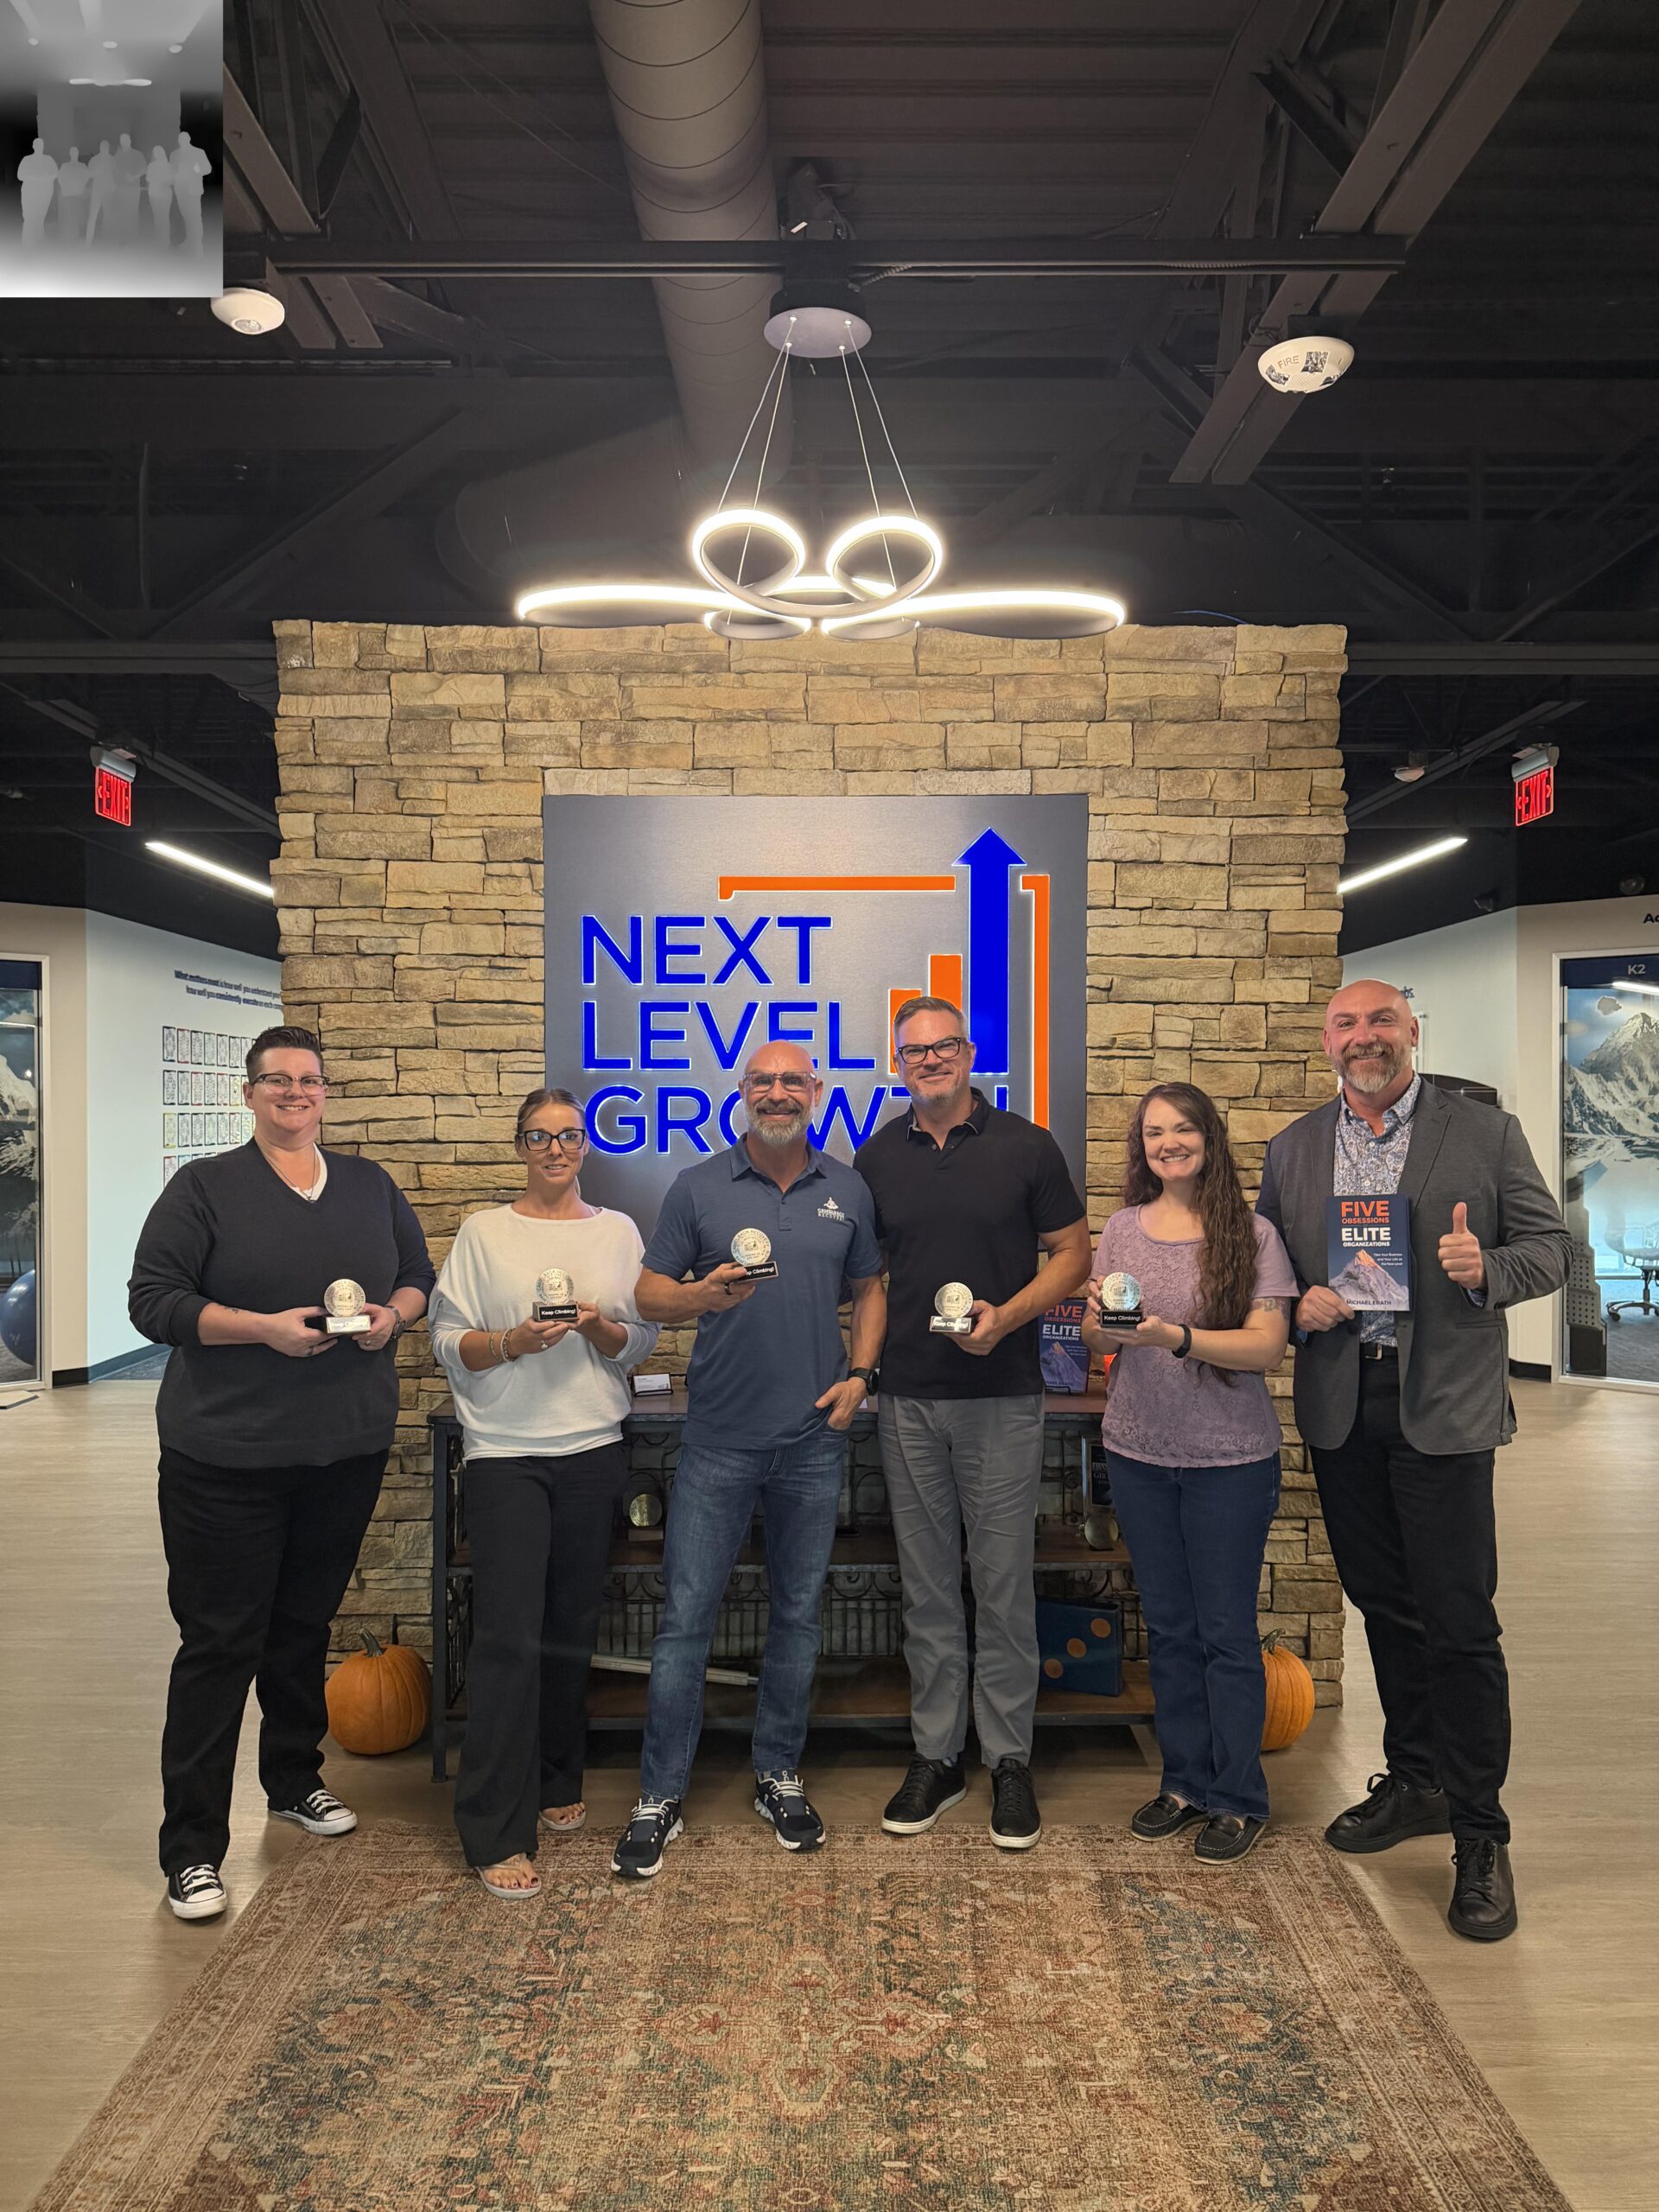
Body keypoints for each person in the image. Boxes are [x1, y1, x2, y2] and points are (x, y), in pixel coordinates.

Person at [1257, 978, 1572, 1942]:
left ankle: (1482, 1832)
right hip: (1346, 1406)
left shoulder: (1481, 1131)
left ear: (1410, 1032)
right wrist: (1301, 1301)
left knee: (1459, 1620)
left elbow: (1553, 1246)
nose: (1366, 1039)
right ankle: (1418, 1779)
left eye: (1381, 1022)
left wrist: (1491, 1273)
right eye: (1348, 1025)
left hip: (1443, 1405)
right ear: (1328, 1041)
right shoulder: (1296, 1147)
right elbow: (1278, 1267)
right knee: (1385, 1607)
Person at [128, 1025, 435, 1922]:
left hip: (343, 1448)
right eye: (277, 1080)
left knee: (304, 1624)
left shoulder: (370, 1186)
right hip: (224, 1457)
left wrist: (392, 1317)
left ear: (325, 1092)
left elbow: (417, 1273)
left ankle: (294, 1778)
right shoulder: (204, 1190)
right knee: (220, 1643)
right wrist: (259, 1326)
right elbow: (153, 1303)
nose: (295, 1093)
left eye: (308, 1080)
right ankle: (190, 1848)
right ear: (251, 1093)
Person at [611, 1040, 885, 1879]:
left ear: (817, 1091)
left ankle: (777, 1773)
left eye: (791, 1080)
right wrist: (703, 1293)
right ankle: (659, 1792)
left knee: (798, 1616)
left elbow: (872, 1285)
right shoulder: (698, 1185)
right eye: (762, 1081)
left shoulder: (847, 1187)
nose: (777, 1093)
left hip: (811, 1438)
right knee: (685, 1622)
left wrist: (861, 1376)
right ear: (743, 1092)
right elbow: (649, 1292)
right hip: (719, 1440)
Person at [855, 996, 1090, 1851]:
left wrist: (1011, 1317)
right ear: (897, 1062)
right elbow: (869, 1277)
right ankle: (938, 1756)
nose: (929, 1060)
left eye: (943, 1045)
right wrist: (862, 1370)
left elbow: (1074, 1252)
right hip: (908, 1398)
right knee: (925, 1588)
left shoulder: (1027, 1146)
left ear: (969, 1051)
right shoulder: (877, 1155)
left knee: (1000, 1582)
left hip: (1002, 1395)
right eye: (913, 1050)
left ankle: (1011, 1759)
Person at [429, 1088, 658, 1899]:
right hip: (506, 1456)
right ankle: (495, 1828)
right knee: (506, 1639)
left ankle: (560, 1780)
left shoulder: (618, 1232)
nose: (555, 1148)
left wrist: (600, 1330)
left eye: (568, 1135)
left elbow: (642, 1342)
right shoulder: (485, 1234)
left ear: (585, 1145)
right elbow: (447, 1343)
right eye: (539, 1136)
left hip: (593, 1448)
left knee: (568, 1629)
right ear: (520, 1145)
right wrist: (513, 1342)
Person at [1080, 1084, 1295, 1864]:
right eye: (1153, 1133)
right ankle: (1184, 1783)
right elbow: (1098, 1331)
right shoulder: (1122, 1229)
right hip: (1137, 1451)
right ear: (1141, 1148)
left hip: (1230, 1460)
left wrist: (1176, 1337)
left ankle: (1239, 1798)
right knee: (1168, 1628)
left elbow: (1265, 1348)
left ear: (1211, 1135)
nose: (1167, 1143)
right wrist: (1101, 1324)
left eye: (1182, 1129)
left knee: (1225, 1634)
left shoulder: (1254, 1233)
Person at [170, 130, 211, 252]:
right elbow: (171, 170)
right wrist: (175, 176)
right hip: (180, 189)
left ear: (189, 140)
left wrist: (198, 170)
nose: (182, 142)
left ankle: (197, 243)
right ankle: (189, 240)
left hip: (193, 189)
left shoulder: (198, 152)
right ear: (178, 141)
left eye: (184, 139)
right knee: (186, 216)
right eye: (180, 140)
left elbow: (207, 168)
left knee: (195, 217)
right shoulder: (174, 154)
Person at [17, 138, 56, 249]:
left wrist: (47, 177)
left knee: (40, 218)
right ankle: (27, 245)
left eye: (42, 145)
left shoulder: (48, 160)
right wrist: (34, 177)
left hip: (43, 194)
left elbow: (54, 173)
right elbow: (20, 175)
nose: (40, 147)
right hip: (29, 193)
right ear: (34, 146)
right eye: (38, 145)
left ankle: (39, 244)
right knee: (29, 218)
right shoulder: (27, 159)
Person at [54, 146, 90, 242]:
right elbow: (60, 177)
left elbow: (86, 177)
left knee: (76, 215)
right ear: (70, 153)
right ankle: (67, 236)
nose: (74, 153)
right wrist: (64, 188)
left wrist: (81, 186)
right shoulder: (65, 165)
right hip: (68, 193)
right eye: (72, 152)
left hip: (78, 193)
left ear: (77, 153)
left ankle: (75, 235)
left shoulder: (82, 166)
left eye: (76, 152)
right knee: (68, 214)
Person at [85, 142, 116, 245]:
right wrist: (96, 173)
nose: (104, 148)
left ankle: (109, 240)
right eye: (102, 146)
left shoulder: (113, 160)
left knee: (109, 216)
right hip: (97, 190)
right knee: (92, 216)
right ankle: (88, 242)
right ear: (100, 147)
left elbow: (117, 175)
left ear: (108, 147)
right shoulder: (95, 160)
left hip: (109, 190)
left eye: (106, 146)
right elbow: (88, 174)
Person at [144, 145, 174, 245]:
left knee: (164, 217)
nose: (156, 154)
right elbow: (148, 179)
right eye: (155, 152)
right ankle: (159, 239)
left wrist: (162, 180)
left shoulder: (168, 166)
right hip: (154, 194)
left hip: (165, 195)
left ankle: (166, 241)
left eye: (158, 152)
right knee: (157, 217)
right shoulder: (151, 166)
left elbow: (172, 180)